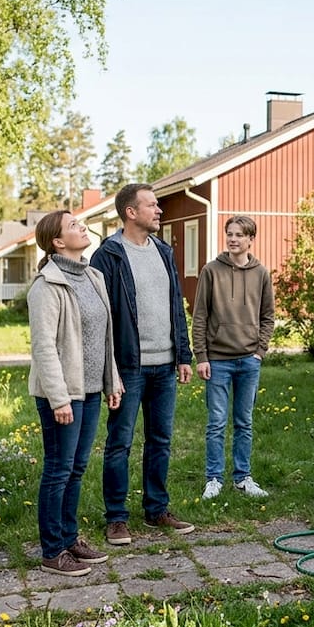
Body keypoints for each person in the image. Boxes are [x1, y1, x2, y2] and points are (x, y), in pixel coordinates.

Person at [89, 183, 196, 546]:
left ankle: (156, 509)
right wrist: (110, 372)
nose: (159, 210)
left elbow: (175, 306)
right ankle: (116, 518)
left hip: (165, 365)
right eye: (152, 205)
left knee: (160, 440)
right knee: (119, 442)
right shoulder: (108, 255)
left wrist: (183, 354)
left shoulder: (164, 252)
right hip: (128, 367)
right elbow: (100, 317)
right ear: (130, 212)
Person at [27, 210, 123, 576]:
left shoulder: (93, 276)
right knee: (58, 469)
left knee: (77, 468)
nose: (82, 227)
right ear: (57, 241)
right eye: (73, 225)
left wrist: (112, 380)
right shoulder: (46, 285)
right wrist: (59, 398)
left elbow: (104, 335)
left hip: (92, 390)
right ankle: (52, 551)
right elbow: (44, 347)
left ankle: (69, 538)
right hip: (63, 394)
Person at [192, 215, 276, 500]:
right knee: (216, 422)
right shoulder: (211, 271)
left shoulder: (261, 273)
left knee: (244, 421)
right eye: (229, 233)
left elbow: (268, 316)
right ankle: (213, 478)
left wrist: (259, 351)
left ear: (251, 239)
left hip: (249, 361)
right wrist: (201, 356)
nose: (233, 239)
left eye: (239, 234)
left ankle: (243, 477)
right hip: (217, 360)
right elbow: (200, 316)